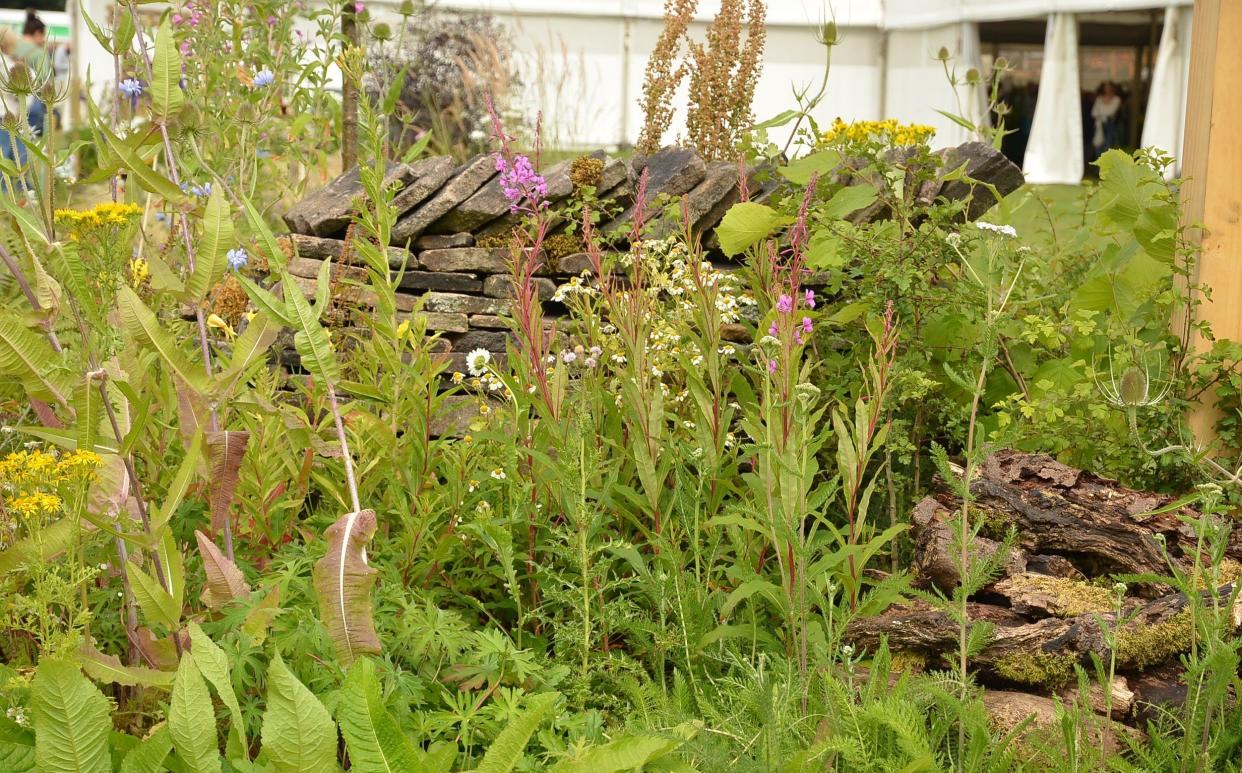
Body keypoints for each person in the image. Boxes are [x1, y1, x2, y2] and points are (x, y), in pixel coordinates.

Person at [15, 11, 51, 136]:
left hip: (9, 103)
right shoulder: (39, 53)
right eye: (43, 36)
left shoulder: (9, 46)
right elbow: (44, 79)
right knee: (30, 145)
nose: (43, 40)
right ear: (37, 33)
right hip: (32, 104)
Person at [1089, 81, 1122, 162]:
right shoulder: (1099, 99)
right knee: (1097, 147)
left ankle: (1105, 170)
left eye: (1109, 87)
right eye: (1106, 87)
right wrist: (1102, 113)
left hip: (1110, 126)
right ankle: (1099, 169)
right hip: (1099, 125)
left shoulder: (1116, 99)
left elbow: (1111, 112)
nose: (1107, 89)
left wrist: (1100, 113)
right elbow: (1093, 112)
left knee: (1107, 147)